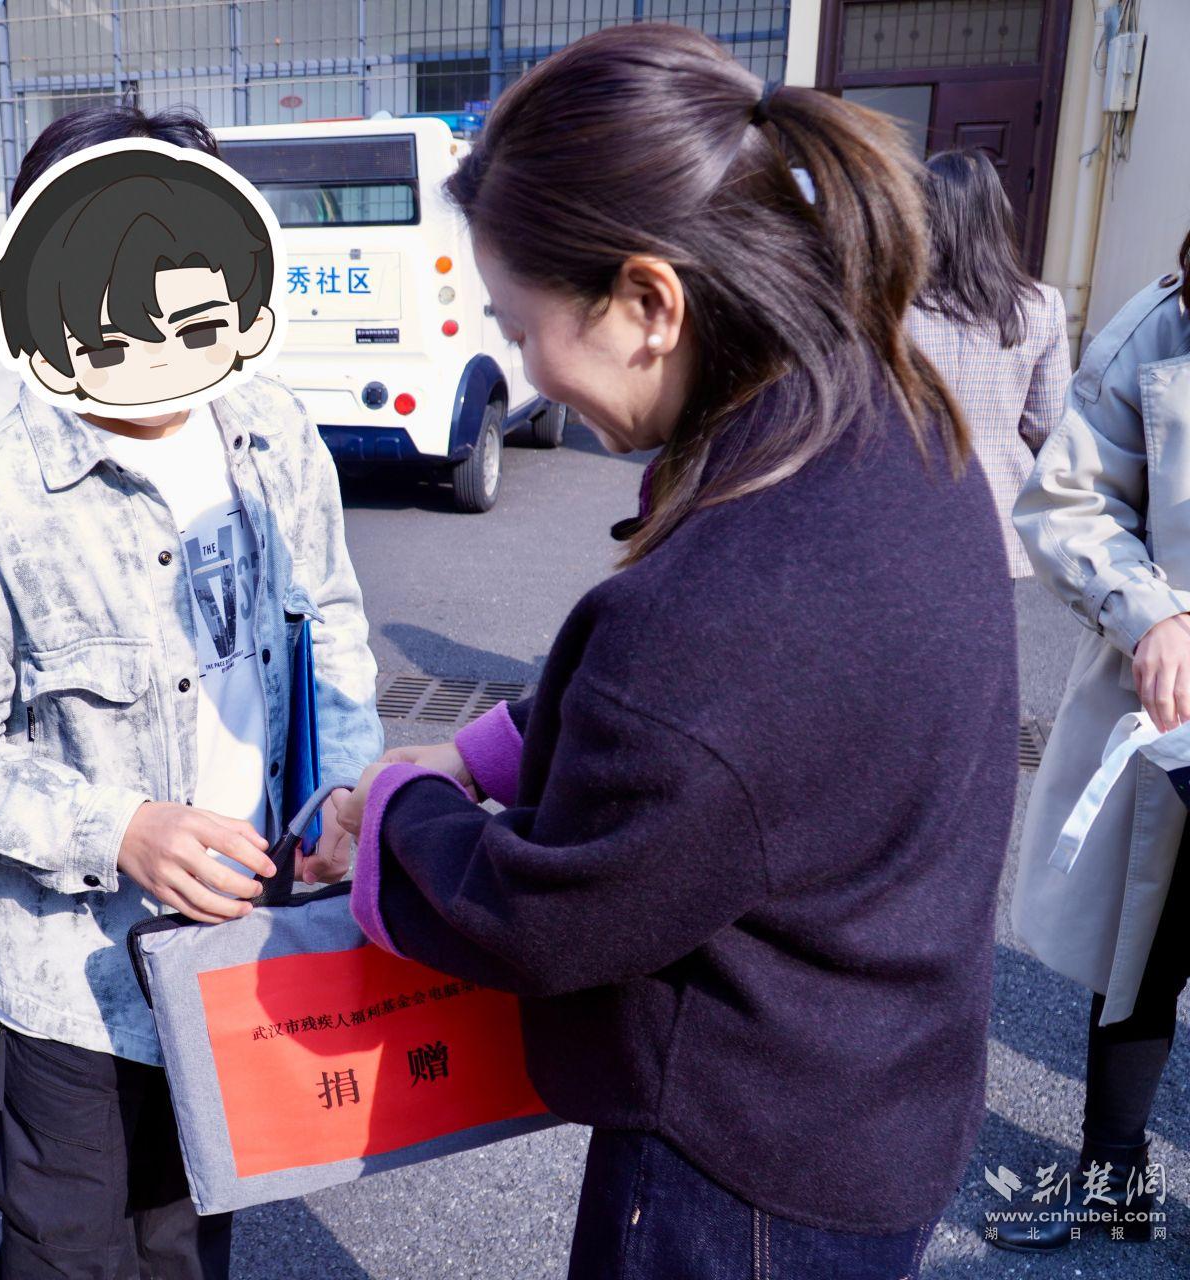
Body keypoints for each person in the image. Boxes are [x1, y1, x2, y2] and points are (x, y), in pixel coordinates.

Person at [333, 25, 1016, 1279]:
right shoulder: (889, 416)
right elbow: (716, 748)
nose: (529, 370)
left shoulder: (717, 604)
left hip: (742, 1166)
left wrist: (397, 806)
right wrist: (482, 752)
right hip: (878, 1093)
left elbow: (547, 916)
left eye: (522, 325)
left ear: (650, 303)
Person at [0, 104, 383, 1279]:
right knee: (72, 1251)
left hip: (245, 936)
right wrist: (123, 829)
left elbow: (332, 623)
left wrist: (344, 786)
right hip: (75, 981)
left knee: (194, 1232)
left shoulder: (270, 434)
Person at [998, 232, 1190, 1253]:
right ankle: (1112, 1176)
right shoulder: (1161, 325)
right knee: (1143, 941)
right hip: (1173, 703)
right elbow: (1068, 495)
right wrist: (1150, 611)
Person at [907, 148, 1071, 578]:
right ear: (996, 218)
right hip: (997, 504)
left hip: (903, 498)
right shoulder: (1042, 307)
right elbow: (1049, 424)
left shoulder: (895, 304)